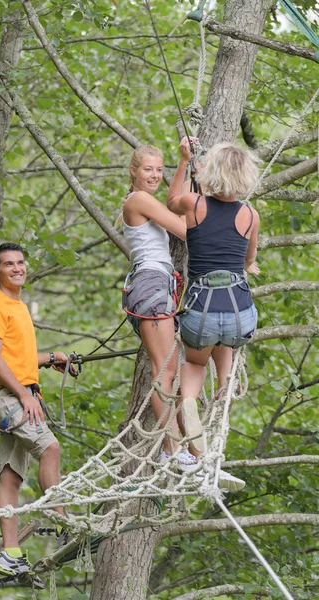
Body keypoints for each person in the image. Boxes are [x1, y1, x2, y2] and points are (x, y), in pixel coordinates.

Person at [167, 138, 261, 492]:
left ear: (212, 172)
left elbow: (170, 201)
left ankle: (191, 402)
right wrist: (247, 264)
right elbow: (248, 259)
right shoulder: (250, 215)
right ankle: (224, 387)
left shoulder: (194, 204)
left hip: (200, 312)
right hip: (238, 314)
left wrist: (182, 161)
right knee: (228, 343)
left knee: (193, 365)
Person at [0, 242, 70, 586]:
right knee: (50, 448)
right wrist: (22, 395)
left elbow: (17, 356)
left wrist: (52, 357)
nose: (17, 268)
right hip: (5, 396)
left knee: (11, 477)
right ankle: (63, 523)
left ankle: (10, 555)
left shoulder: (17, 305)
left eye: (21, 262)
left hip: (18, 392)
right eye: (9, 264)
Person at [121, 144, 196, 472]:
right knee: (164, 370)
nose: (155, 175)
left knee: (175, 373)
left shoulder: (147, 201)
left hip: (157, 284)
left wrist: (182, 164)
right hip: (150, 285)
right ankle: (172, 449)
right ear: (134, 171)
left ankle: (187, 451)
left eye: (159, 170)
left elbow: (174, 208)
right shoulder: (138, 200)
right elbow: (183, 228)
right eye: (148, 169)